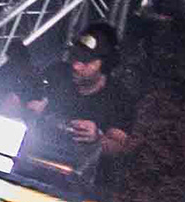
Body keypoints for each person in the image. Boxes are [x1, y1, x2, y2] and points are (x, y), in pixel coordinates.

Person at [21, 35, 142, 193]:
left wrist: (97, 138)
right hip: (30, 165)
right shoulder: (56, 73)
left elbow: (120, 147)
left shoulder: (119, 98)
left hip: (78, 184)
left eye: (86, 61)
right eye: (75, 57)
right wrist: (30, 108)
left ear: (104, 66)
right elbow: (15, 104)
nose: (76, 66)